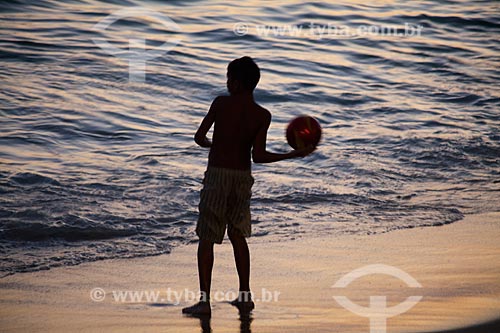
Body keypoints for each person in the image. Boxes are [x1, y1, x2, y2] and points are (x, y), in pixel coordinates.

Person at [182, 56, 315, 316]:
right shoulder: (262, 115)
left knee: (208, 237)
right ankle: (245, 296)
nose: (227, 83)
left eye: (230, 78)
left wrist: (216, 146)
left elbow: (199, 138)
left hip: (218, 177)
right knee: (238, 235)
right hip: (243, 179)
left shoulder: (220, 104)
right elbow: (259, 156)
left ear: (239, 83)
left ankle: (204, 302)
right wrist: (292, 155)